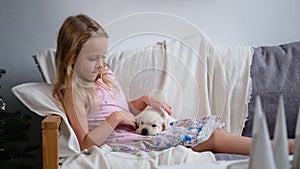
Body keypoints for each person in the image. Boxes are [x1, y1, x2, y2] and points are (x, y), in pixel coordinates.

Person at [53, 14, 295, 155]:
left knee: (210, 130)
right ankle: (278, 148)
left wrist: (143, 101)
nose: (101, 64)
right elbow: (84, 144)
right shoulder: (74, 92)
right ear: (71, 59)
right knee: (212, 139)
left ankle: (278, 145)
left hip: (135, 130)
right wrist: (115, 119)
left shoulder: (103, 75)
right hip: (126, 143)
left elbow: (120, 106)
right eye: (93, 59)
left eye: (103, 57)